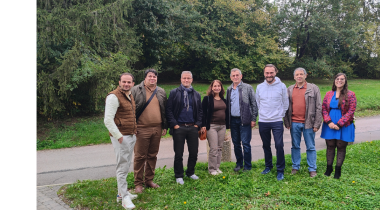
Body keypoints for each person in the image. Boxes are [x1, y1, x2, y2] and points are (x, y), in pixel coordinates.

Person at [104, 73, 138, 209]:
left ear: (133, 84)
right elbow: (107, 120)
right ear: (119, 82)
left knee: (125, 165)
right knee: (122, 167)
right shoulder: (113, 97)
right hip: (121, 137)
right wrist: (119, 136)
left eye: (129, 82)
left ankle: (121, 193)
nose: (126, 84)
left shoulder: (129, 95)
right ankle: (124, 198)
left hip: (130, 135)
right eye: (124, 82)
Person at [131, 69, 168, 193]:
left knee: (152, 155)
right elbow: (130, 109)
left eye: (154, 76)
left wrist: (164, 126)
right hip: (141, 128)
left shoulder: (161, 91)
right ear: (145, 78)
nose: (152, 78)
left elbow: (164, 110)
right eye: (150, 76)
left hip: (157, 128)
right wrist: (133, 126)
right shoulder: (136, 90)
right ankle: (138, 183)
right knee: (140, 156)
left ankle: (149, 180)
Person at [284, 67, 322, 178]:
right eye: (297, 74)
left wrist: (317, 124)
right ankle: (295, 166)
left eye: (301, 74)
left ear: (305, 75)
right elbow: (285, 107)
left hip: (309, 123)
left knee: (310, 146)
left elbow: (319, 107)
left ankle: (312, 169)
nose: (299, 76)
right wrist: (287, 122)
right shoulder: (290, 89)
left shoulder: (313, 88)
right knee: (295, 146)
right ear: (294, 77)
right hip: (294, 123)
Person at [166, 71, 203, 185]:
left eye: (188, 78)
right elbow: (169, 110)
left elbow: (200, 111)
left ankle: (190, 172)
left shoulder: (196, 94)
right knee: (179, 153)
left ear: (191, 80)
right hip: (179, 127)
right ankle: (179, 175)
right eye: (184, 78)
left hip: (192, 127)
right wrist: (174, 124)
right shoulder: (174, 93)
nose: (186, 80)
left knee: (194, 152)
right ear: (181, 79)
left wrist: (197, 124)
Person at [256, 64, 289, 181]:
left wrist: (280, 115)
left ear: (275, 72)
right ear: (264, 73)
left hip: (276, 121)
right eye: (267, 73)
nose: (269, 75)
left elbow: (285, 103)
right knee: (266, 145)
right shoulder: (259, 87)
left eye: (271, 73)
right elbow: (257, 103)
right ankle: (268, 166)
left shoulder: (282, 86)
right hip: (263, 121)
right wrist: (263, 114)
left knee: (279, 145)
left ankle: (280, 170)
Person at [321, 73, 356, 179]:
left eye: (342, 79)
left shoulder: (351, 94)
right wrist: (329, 122)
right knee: (330, 146)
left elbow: (351, 110)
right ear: (334, 80)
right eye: (337, 79)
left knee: (341, 147)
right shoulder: (328, 94)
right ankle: (329, 168)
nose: (339, 80)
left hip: (344, 124)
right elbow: (323, 109)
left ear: (345, 81)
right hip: (330, 124)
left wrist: (340, 123)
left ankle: (337, 171)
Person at [226, 68, 258, 172]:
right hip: (233, 121)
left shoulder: (248, 87)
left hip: (245, 120)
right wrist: (228, 121)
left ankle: (247, 165)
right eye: (233, 75)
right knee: (236, 143)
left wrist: (253, 119)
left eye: (237, 75)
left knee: (245, 143)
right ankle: (239, 163)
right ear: (231, 77)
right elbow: (227, 106)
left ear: (241, 76)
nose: (235, 77)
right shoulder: (229, 89)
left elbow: (254, 104)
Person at [201, 80, 229, 175]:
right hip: (211, 126)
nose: (217, 87)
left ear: (221, 88)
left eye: (219, 86)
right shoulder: (207, 99)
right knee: (213, 148)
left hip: (222, 126)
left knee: (220, 148)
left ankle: (217, 167)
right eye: (215, 86)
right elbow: (203, 113)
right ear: (212, 87)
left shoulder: (224, 100)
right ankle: (212, 169)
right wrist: (203, 125)